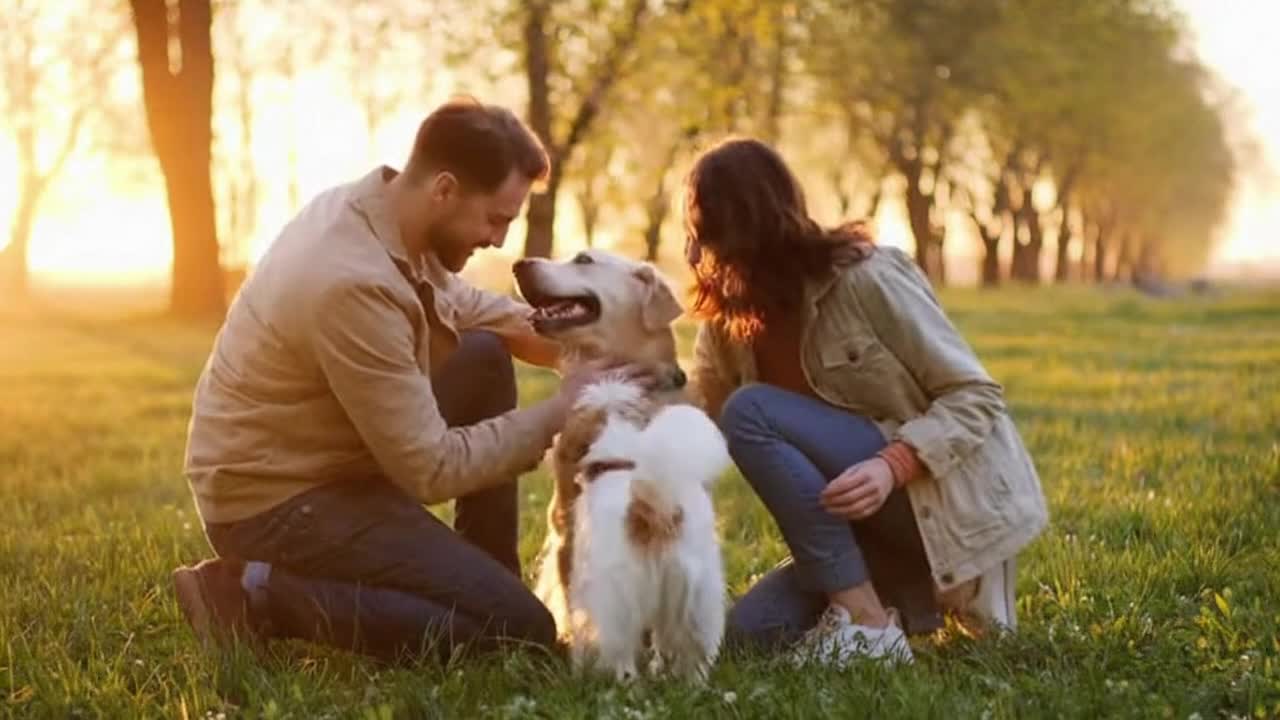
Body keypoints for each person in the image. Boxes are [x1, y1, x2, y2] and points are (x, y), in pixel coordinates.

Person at [172, 98, 625, 662]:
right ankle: (254, 595)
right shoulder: (350, 281)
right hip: (273, 504)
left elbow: (473, 309)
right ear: (444, 189)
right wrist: (559, 412)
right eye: (496, 219)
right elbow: (430, 467)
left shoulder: (390, 217)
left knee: (483, 355)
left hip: (329, 461)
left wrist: (594, 353)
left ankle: (489, 577)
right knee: (519, 634)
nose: (498, 239)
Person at [683, 137, 1049, 665]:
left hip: (931, 511)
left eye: (701, 232)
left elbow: (976, 395)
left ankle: (869, 624)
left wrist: (891, 465)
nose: (694, 252)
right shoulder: (729, 317)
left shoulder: (866, 278)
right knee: (749, 636)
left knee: (751, 409)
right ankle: (873, 606)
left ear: (740, 226)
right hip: (857, 535)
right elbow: (698, 411)